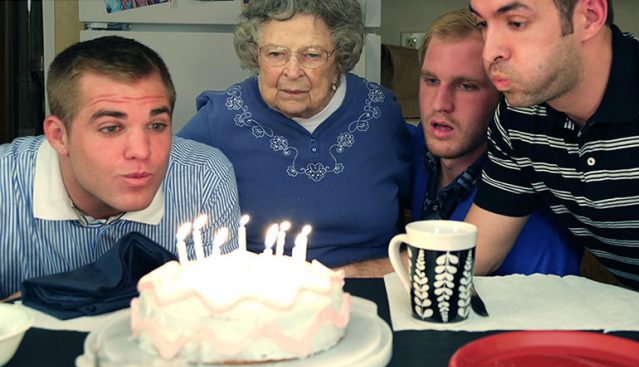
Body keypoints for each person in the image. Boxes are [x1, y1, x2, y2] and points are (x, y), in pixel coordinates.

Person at [466, 0, 639, 347]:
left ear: (589, 17)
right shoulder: (517, 121)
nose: (489, 52)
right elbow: (475, 252)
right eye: (483, 24)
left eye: (515, 23)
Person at [0, 36, 241, 300]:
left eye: (156, 125)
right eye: (111, 128)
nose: (141, 150)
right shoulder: (5, 182)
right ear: (59, 136)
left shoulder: (205, 177)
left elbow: (214, 312)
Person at [178, 0, 411, 269]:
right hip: (266, 300)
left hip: (372, 290)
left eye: (312, 55)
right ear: (256, 54)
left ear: (340, 57)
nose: (292, 71)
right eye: (276, 54)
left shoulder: (381, 114)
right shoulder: (217, 121)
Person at [412, 9, 581, 275]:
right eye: (431, 80)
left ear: (504, 96)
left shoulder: (533, 207)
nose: (440, 104)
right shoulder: (413, 146)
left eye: (466, 86)